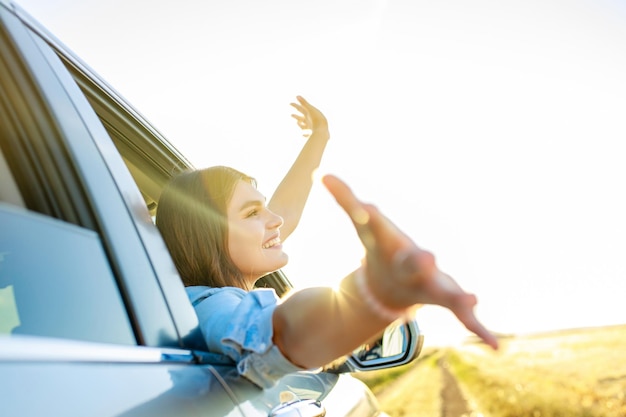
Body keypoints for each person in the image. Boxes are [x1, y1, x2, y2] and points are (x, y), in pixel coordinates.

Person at [155, 96, 498, 389]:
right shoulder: (206, 305)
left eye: (266, 208)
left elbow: (283, 212)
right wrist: (370, 297)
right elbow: (280, 336)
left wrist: (319, 137)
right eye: (252, 213)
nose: (275, 220)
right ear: (206, 235)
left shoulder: (224, 277)